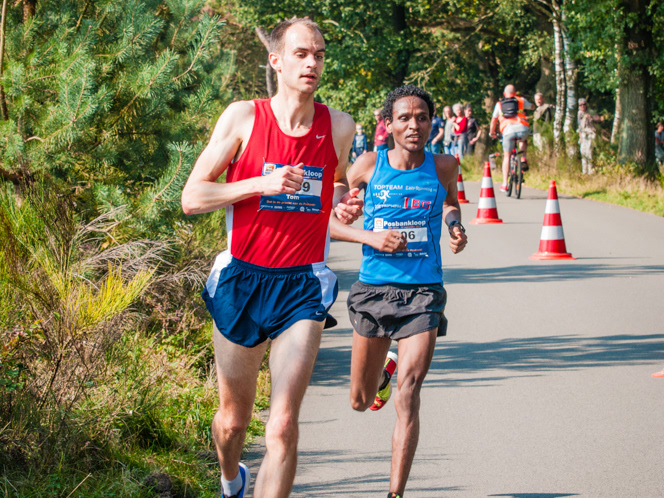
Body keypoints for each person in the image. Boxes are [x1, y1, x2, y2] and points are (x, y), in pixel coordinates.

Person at [181, 18, 362, 498]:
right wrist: (261, 183)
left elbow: (336, 181)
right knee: (233, 422)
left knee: (281, 424)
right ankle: (231, 481)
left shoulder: (338, 126)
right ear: (276, 60)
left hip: (301, 285)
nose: (312, 63)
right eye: (301, 53)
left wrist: (343, 202)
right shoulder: (243, 117)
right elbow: (192, 197)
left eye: (319, 54)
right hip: (242, 281)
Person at [330, 85, 468, 498]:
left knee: (409, 394)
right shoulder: (368, 164)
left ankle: (396, 494)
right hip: (374, 290)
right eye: (404, 118)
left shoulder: (445, 165)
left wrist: (454, 225)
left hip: (423, 291)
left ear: (432, 123)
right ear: (387, 125)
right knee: (360, 400)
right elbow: (336, 197)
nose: (414, 125)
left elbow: (450, 201)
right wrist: (348, 211)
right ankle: (382, 376)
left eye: (422, 118)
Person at [489, 84, 536, 192]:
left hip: (508, 130)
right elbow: (532, 107)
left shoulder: (499, 104)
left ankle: (505, 183)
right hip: (522, 128)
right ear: (515, 93)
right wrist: (532, 106)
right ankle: (523, 157)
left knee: (507, 156)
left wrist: (492, 132)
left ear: (504, 94)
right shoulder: (521, 100)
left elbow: (494, 120)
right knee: (523, 139)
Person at [577, 97, 604, 175]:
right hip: (583, 135)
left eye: (584, 104)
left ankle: (590, 172)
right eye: (581, 105)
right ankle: (584, 172)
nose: (583, 106)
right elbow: (579, 126)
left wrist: (590, 117)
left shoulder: (590, 112)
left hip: (590, 134)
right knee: (583, 153)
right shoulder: (579, 113)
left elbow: (599, 119)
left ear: (586, 105)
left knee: (589, 153)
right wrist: (580, 137)